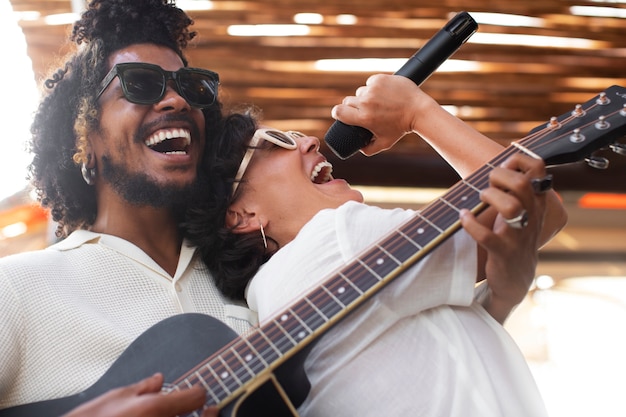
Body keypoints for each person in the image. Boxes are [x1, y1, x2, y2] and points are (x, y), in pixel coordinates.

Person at [186, 74, 568, 416]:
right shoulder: (335, 239)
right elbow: (537, 206)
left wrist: (502, 297)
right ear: (242, 215)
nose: (307, 140)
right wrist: (417, 112)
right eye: (275, 142)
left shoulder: (274, 299)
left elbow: (439, 353)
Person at [0, 1, 248, 416]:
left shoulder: (248, 278)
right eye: (140, 84)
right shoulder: (15, 290)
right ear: (84, 140)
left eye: (191, 87)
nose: (177, 101)